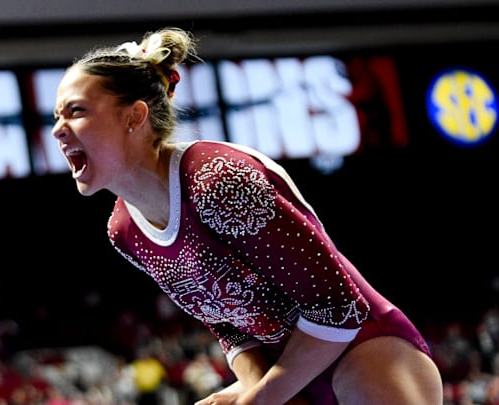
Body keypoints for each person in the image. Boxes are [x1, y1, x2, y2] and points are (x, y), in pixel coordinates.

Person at [51, 26, 443, 405]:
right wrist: (254, 388)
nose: (58, 130)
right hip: (287, 371)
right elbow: (225, 321)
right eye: (57, 116)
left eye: (76, 111)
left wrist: (258, 399)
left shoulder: (217, 182)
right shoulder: (125, 231)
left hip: (362, 349)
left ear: (134, 116)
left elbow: (340, 309)